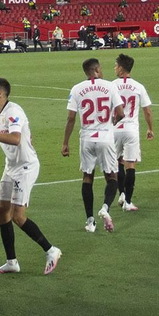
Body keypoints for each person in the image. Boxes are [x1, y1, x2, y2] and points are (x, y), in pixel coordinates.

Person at [0, 76, 62, 276]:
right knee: (2, 212)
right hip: (11, 167)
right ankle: (11, 262)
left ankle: (51, 250)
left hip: (26, 167)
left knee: (18, 216)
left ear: (1, 93)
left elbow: (15, 139)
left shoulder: (14, 112)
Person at [62, 57, 121, 234]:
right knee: (112, 177)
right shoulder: (110, 86)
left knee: (87, 177)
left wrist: (65, 142)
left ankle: (90, 221)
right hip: (105, 137)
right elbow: (121, 112)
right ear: (96, 70)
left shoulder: (77, 89)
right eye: (100, 68)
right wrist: (111, 123)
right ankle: (104, 208)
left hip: (86, 138)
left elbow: (71, 118)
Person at [110, 53, 154, 212]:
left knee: (117, 163)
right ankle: (128, 201)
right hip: (131, 130)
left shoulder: (111, 85)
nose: (114, 68)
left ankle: (121, 193)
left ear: (121, 69)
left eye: (116, 65)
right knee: (130, 164)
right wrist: (150, 128)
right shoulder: (138, 86)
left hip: (115, 129)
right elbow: (147, 111)